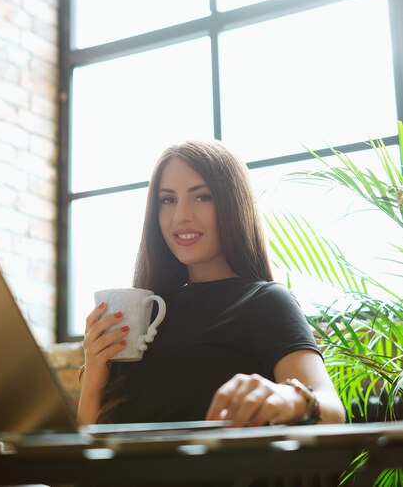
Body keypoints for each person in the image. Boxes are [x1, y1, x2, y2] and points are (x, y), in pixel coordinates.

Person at [78, 140, 345, 427]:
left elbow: (332, 412)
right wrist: (94, 376)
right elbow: (89, 446)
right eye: (167, 200)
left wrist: (286, 398)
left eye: (202, 197)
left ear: (232, 203)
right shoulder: (146, 313)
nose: (181, 216)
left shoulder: (265, 301)